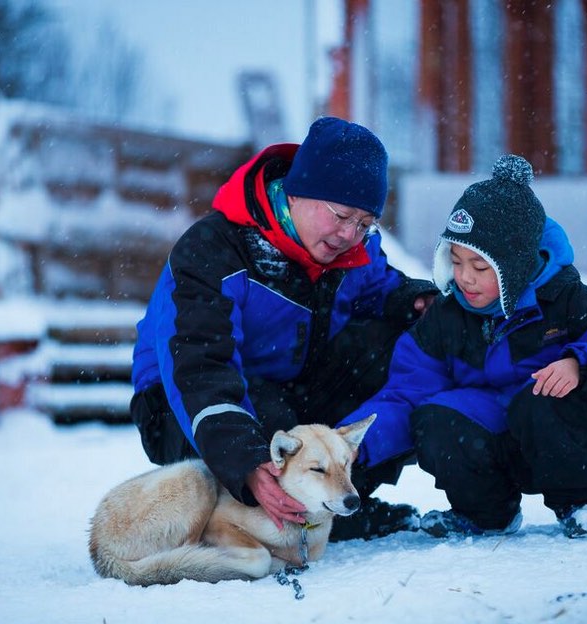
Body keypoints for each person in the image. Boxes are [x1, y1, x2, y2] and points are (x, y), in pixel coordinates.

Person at [130, 116, 438, 541]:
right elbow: (198, 363)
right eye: (342, 215)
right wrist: (246, 460)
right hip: (180, 401)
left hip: (287, 389)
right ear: (297, 193)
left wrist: (417, 301)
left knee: (407, 348)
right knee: (271, 419)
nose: (351, 234)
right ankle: (257, 513)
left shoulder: (349, 249)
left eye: (365, 223)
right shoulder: (212, 251)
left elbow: (379, 288)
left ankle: (336, 505)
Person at [337, 154, 587, 539]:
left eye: (480, 267)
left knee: (539, 399)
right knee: (433, 416)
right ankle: (485, 513)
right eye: (455, 261)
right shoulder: (446, 317)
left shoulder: (570, 302)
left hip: (573, 434)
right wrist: (346, 443)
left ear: (515, 265)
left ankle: (585, 504)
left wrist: (582, 365)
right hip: (501, 439)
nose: (464, 278)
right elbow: (406, 394)